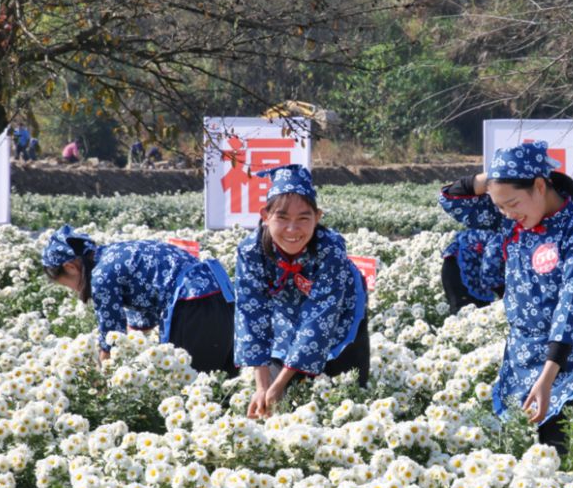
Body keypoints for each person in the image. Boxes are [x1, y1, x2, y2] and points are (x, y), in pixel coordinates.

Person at [439, 141, 573, 461]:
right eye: (500, 206)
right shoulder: (511, 219)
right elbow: (450, 198)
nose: (507, 213)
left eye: (513, 203)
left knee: (568, 460)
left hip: (571, 362)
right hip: (521, 359)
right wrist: (491, 178)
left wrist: (548, 377)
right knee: (524, 463)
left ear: (540, 186)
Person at [234, 164, 370, 419]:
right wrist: (263, 386)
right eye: (282, 218)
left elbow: (319, 320)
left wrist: (278, 385)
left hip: (340, 317)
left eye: (303, 218)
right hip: (284, 314)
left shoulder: (330, 250)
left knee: (342, 401)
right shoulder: (251, 251)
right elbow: (250, 315)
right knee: (273, 405)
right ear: (265, 216)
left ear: (317, 217)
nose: (292, 229)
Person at [42, 225, 236, 374]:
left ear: (71, 267)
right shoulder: (114, 254)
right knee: (218, 382)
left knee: (189, 381)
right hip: (220, 297)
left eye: (69, 285)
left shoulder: (100, 275)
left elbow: (111, 335)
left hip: (193, 305)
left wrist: (104, 375)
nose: (75, 291)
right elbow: (141, 316)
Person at [440, 228, 505, 314]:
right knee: (467, 313)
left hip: (463, 267)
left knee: (481, 312)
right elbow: (489, 271)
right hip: (460, 272)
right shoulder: (501, 239)